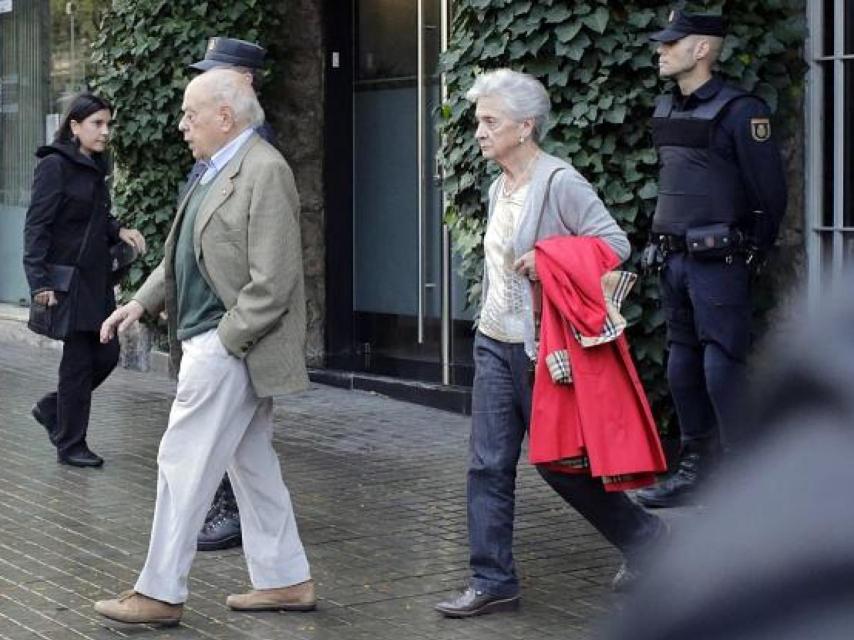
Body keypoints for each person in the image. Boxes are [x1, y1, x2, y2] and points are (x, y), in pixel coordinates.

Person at [434, 69, 666, 619]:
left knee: (560, 465)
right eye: (478, 120)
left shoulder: (559, 181)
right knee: (487, 464)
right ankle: (493, 581)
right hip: (494, 340)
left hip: (545, 354)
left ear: (526, 126)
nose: (479, 132)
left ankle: (647, 538)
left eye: (490, 121)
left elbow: (614, 245)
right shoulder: (498, 186)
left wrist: (549, 256)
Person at [93, 68, 314, 625]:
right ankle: (286, 580)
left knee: (180, 461)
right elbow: (180, 257)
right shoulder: (211, 171)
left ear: (225, 116)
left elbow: (274, 279)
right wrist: (140, 304)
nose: (183, 125)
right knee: (252, 465)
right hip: (213, 342)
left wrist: (225, 340)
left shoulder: (265, 170)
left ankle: (160, 591)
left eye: (192, 114)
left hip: (228, 345)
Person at [635, 11, 787, 509]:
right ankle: (696, 471)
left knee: (722, 365)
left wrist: (747, 251)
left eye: (671, 44)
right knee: (682, 365)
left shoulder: (743, 112)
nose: (661, 51)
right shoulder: (668, 108)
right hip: (673, 260)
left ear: (701, 49)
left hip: (719, 261)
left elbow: (770, 195)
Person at [187, 36, 278, 553]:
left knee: (193, 454)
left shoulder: (255, 153)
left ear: (239, 84)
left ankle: (163, 577)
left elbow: (268, 268)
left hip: (226, 325)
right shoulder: (216, 144)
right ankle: (283, 572)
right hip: (209, 321)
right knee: (250, 453)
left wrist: (227, 336)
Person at [23, 92, 146, 468]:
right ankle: (71, 444)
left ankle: (52, 408)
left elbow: (94, 215)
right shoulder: (55, 166)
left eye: (109, 124)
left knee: (107, 353)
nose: (105, 131)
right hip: (69, 282)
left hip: (96, 280)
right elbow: (37, 227)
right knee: (78, 362)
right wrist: (39, 282)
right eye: (97, 124)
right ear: (74, 126)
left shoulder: (94, 165)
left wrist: (118, 229)